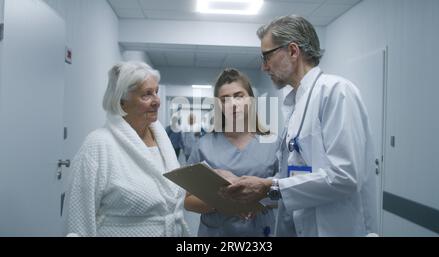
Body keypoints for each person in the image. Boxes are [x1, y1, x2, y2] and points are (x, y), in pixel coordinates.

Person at [220, 15, 378, 237]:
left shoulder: (336, 92)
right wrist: (254, 193)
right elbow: (296, 176)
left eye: (266, 57)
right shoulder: (296, 103)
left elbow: (345, 176)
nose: (264, 67)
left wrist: (270, 186)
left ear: (293, 51)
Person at [65, 61, 190, 237]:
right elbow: (79, 221)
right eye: (146, 94)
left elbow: (168, 189)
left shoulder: (161, 138)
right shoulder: (98, 145)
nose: (156, 101)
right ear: (122, 101)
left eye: (156, 92)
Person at [184, 68, 280, 237]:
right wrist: (222, 202)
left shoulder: (272, 143)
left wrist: (257, 196)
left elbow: (288, 190)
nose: (232, 104)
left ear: (250, 99)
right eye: (224, 99)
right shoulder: (203, 146)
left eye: (238, 95)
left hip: (261, 232)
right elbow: (187, 201)